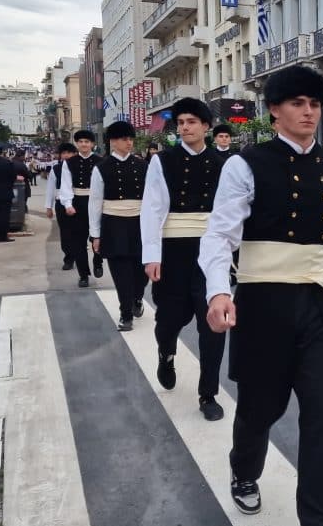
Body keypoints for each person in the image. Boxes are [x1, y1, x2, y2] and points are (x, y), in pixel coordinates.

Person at [199, 65, 323, 519]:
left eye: (314, 104)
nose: (308, 112)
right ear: (274, 110)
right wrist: (218, 292)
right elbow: (219, 235)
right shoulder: (245, 163)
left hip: (319, 302)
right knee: (259, 407)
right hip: (263, 301)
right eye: (297, 103)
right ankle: (244, 470)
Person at [141, 97, 227, 422]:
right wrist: (152, 255)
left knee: (214, 325)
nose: (185, 127)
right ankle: (166, 353)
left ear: (206, 126)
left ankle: (208, 393)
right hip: (173, 251)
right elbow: (152, 209)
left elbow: (233, 211)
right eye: (180, 123)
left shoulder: (225, 163)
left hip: (211, 253)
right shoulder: (162, 161)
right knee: (168, 321)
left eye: (192, 121)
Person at [89, 121, 149, 331]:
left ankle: (137, 298)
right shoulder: (102, 168)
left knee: (142, 272)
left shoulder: (142, 165)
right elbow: (95, 202)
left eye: (131, 138)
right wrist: (95, 234)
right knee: (120, 272)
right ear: (113, 141)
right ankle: (126, 314)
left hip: (140, 222)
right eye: (124, 139)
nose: (129, 143)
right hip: (113, 224)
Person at [59, 130, 105, 287]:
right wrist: (68, 204)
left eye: (87, 141)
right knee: (78, 242)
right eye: (81, 142)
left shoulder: (101, 161)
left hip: (96, 202)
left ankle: (98, 261)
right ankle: (83, 274)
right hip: (78, 203)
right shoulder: (69, 162)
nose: (84, 144)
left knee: (97, 237)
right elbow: (65, 185)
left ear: (92, 144)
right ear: (77, 144)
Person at [45, 142, 79, 270]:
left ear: (75, 154)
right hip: (61, 203)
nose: (66, 155)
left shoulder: (80, 166)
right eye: (64, 153)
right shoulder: (56, 169)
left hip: (78, 202)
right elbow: (50, 188)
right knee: (65, 232)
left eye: (69, 153)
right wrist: (49, 207)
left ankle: (79, 255)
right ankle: (68, 258)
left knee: (78, 231)